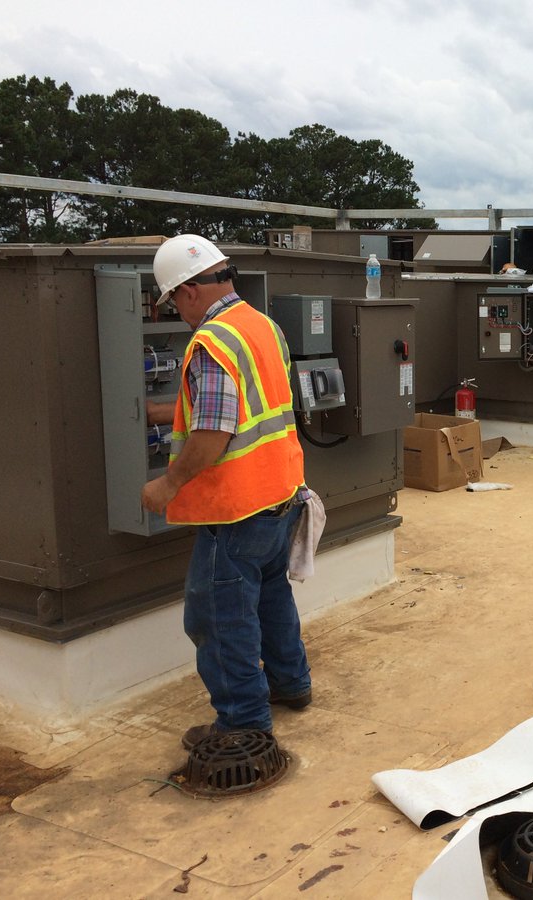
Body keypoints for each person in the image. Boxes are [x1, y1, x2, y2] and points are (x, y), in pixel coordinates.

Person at [142, 234, 312, 750]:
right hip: (279, 493)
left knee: (216, 617)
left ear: (190, 291)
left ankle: (243, 720)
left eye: (174, 303)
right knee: (271, 598)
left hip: (235, 508)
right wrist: (158, 413)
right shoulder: (262, 326)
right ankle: (291, 684)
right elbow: (252, 406)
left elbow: (214, 433)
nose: (179, 315)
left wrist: (167, 483)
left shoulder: (211, 342)